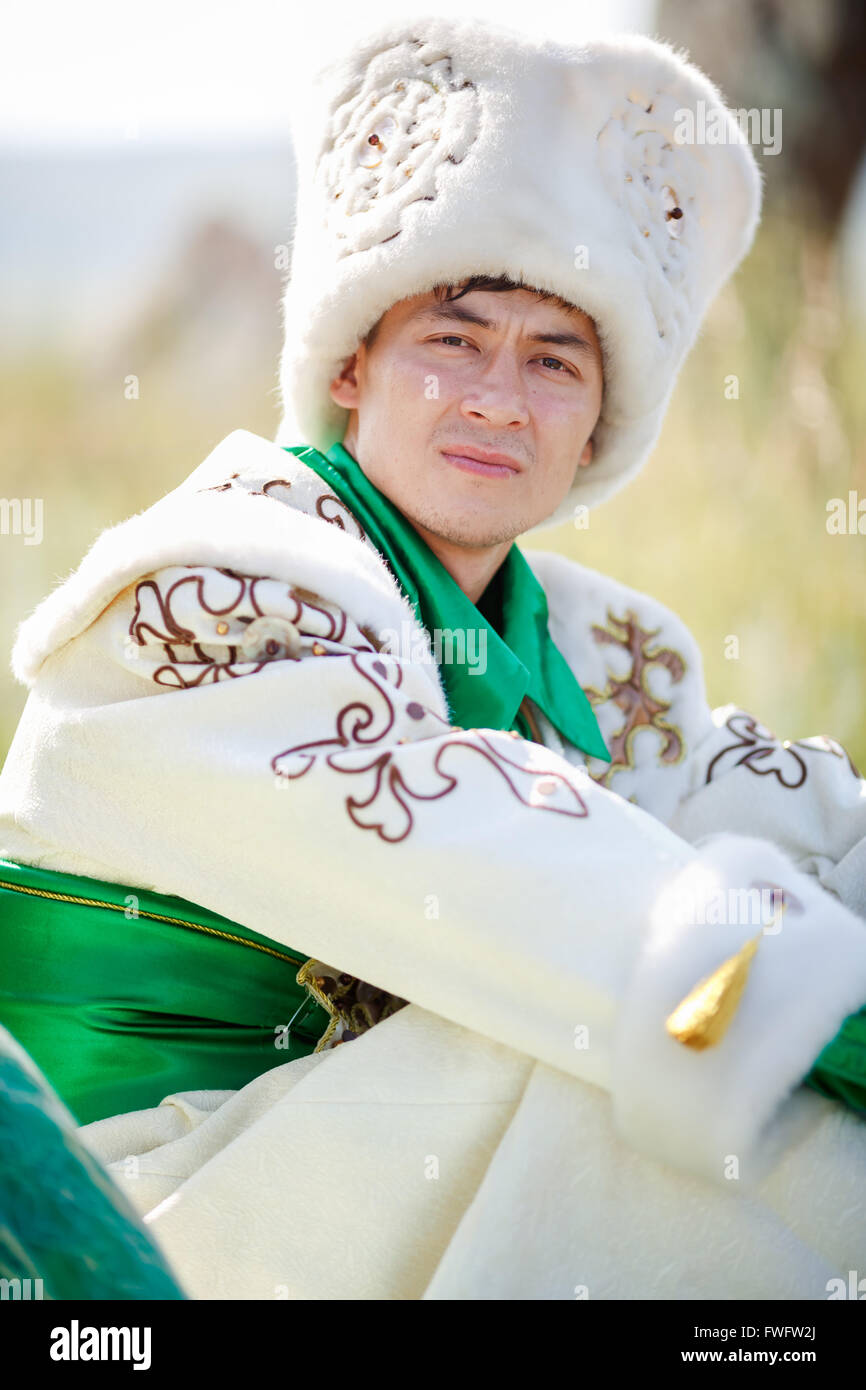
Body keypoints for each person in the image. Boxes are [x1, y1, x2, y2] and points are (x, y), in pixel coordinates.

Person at [1, 17, 865, 1300]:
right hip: (135, 1216)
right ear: (352, 362)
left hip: (334, 1171)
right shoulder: (217, 589)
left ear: (594, 428)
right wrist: (816, 1002)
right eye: (451, 338)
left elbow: (775, 810)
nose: (497, 399)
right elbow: (524, 879)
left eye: (553, 360)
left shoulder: (596, 651)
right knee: (629, 1073)